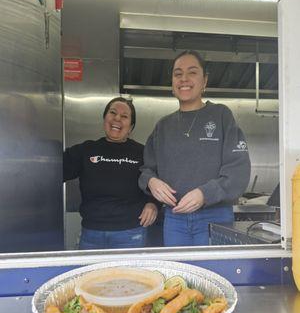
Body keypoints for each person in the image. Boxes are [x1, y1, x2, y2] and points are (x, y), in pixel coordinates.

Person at [139, 50, 251, 247]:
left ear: (204, 81)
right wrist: (151, 181)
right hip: (174, 219)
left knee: (213, 274)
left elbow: (238, 170)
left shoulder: (221, 115)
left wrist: (204, 194)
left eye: (192, 72)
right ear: (172, 83)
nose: (184, 79)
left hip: (215, 216)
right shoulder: (163, 126)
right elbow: (146, 169)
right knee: (179, 275)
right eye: (177, 73)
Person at [63, 97, 158, 249]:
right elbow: (53, 170)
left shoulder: (143, 152)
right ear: (105, 118)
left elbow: (159, 180)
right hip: (91, 233)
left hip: (130, 233)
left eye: (124, 116)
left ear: (131, 126)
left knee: (128, 274)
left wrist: (153, 204)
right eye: (112, 113)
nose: (117, 118)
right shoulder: (86, 150)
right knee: (93, 274)